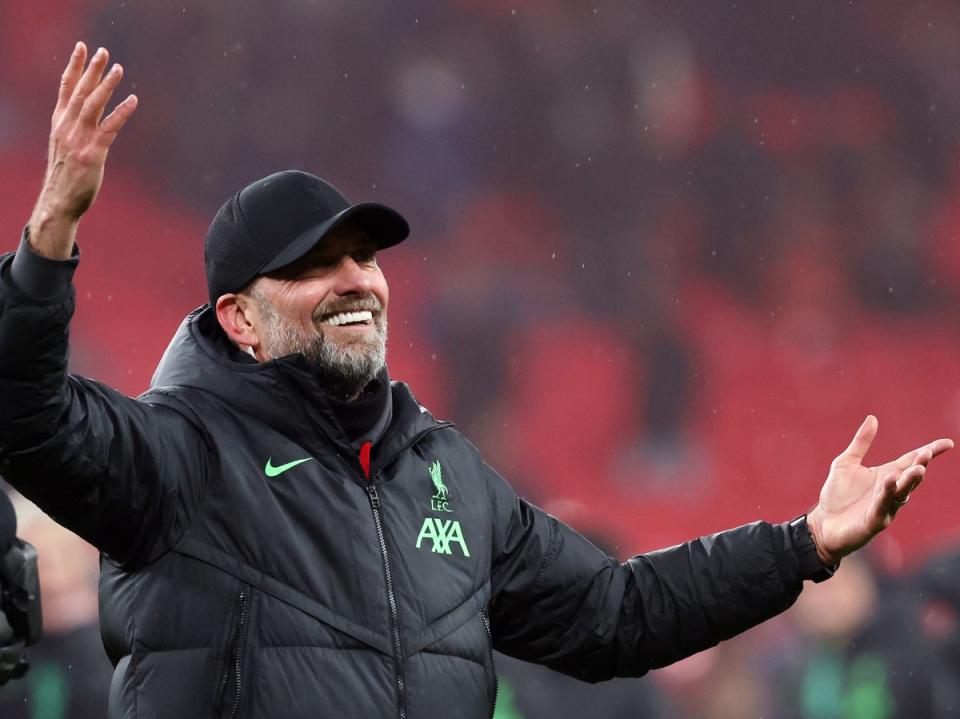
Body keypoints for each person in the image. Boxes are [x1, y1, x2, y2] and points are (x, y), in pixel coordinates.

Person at [0, 42, 952, 719]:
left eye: (364, 255)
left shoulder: (443, 467)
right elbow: (27, 417)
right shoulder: (179, 456)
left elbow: (617, 615)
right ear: (239, 318)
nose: (356, 280)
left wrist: (803, 544)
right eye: (313, 265)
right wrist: (49, 240)